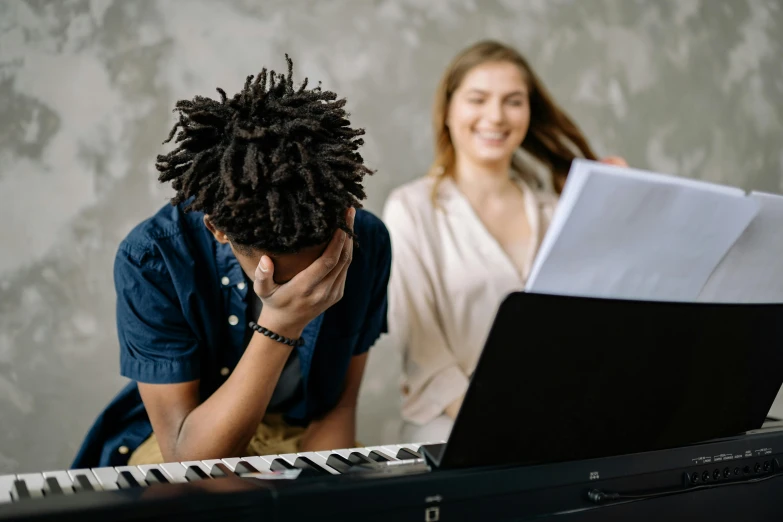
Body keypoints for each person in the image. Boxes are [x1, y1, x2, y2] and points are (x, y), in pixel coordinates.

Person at [72, 55, 391, 468]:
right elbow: (188, 458)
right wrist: (280, 322)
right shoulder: (153, 258)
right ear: (218, 229)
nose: (302, 287)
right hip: (190, 438)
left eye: (319, 273)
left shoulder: (366, 241)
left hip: (299, 431)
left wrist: (326, 493)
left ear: (346, 216)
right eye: (274, 274)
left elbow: (338, 408)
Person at [382, 40, 628, 442]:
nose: (495, 116)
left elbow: (597, 325)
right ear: (448, 111)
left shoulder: (557, 212)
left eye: (513, 101)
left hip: (557, 421)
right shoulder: (411, 210)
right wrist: (504, 428)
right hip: (452, 426)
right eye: (478, 99)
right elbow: (425, 356)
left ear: (529, 113)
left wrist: (610, 205)